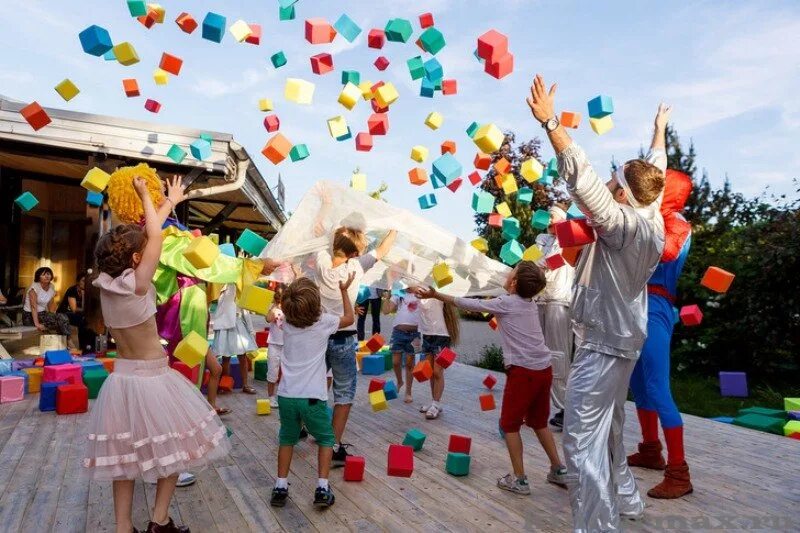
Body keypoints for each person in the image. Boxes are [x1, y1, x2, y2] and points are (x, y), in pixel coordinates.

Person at [527, 73, 670, 530]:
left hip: (603, 346)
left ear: (624, 196)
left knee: (580, 440)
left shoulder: (622, 224)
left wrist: (551, 124)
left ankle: (597, 525)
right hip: (625, 342)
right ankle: (628, 501)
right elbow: (656, 176)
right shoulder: (653, 221)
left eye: (614, 183)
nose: (607, 186)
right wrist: (658, 135)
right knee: (610, 430)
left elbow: (581, 177)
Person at [85, 174, 229, 533]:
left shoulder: (105, 286)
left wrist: (161, 202)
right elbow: (157, 234)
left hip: (121, 381)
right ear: (137, 258)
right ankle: (159, 520)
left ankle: (123, 527)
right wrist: (153, 197)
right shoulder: (138, 284)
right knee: (174, 452)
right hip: (153, 380)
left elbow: (147, 237)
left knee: (124, 460)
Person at [418, 261, 568, 494]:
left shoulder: (506, 302)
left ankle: (519, 479)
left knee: (509, 425)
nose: (507, 274)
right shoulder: (531, 302)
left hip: (523, 373)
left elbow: (469, 303)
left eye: (512, 272)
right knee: (539, 423)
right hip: (543, 370)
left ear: (515, 282)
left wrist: (436, 294)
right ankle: (558, 469)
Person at [628, 169, 694, 498]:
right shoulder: (659, 219)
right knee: (638, 384)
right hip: (639, 304)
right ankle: (651, 450)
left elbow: (660, 253)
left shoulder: (677, 224)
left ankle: (679, 473)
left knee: (657, 387)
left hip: (654, 307)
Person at [270, 273, 356, 509]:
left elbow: (277, 310)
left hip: (286, 396)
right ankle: (321, 487)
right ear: (316, 304)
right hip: (311, 398)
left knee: (287, 438)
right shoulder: (324, 322)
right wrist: (344, 290)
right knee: (327, 439)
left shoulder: (286, 322)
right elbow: (350, 317)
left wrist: (286, 292)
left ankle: (280, 486)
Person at [314, 225, 396, 467]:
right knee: (344, 393)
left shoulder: (321, 262)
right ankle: (334, 446)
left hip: (319, 336)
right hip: (344, 337)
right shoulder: (356, 266)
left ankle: (311, 430)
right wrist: (394, 228)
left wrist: (326, 207)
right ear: (353, 254)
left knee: (316, 389)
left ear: (334, 245)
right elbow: (382, 250)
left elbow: (318, 232)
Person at [534, 205, 575, 431]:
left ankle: (568, 407)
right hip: (541, 299)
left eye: (553, 215)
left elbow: (553, 262)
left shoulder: (568, 238)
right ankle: (543, 404)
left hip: (559, 301)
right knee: (541, 354)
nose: (548, 219)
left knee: (558, 355)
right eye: (547, 215)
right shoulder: (543, 239)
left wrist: (529, 267)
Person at [415, 293, 460, 420]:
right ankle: (434, 402)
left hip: (441, 335)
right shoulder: (419, 290)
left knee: (437, 372)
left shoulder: (435, 290)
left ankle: (436, 404)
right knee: (429, 372)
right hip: (427, 334)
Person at [211, 282, 258, 398]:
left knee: (242, 356)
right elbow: (220, 306)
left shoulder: (240, 288)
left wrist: (251, 329)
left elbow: (245, 310)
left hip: (238, 323)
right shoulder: (223, 288)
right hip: (226, 324)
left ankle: (245, 384)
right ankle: (224, 385)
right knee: (226, 357)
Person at [381, 287, 421, 403]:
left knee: (409, 363)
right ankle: (400, 381)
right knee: (396, 362)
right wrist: (387, 297)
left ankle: (408, 392)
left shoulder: (420, 294)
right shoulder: (399, 293)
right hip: (398, 332)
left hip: (414, 334)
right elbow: (386, 311)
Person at [22, 266, 72, 343]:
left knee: (63, 317)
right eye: (43, 275)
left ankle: (63, 343)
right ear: (38, 277)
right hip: (30, 316)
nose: (46, 276)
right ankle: (68, 342)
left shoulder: (51, 286)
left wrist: (53, 316)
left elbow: (50, 303)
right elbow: (33, 306)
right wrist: (37, 324)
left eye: (48, 274)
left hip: (42, 314)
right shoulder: (34, 287)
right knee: (60, 320)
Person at [58, 271, 98, 353]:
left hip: (79, 315)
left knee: (89, 321)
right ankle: (83, 346)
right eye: (83, 280)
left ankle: (90, 347)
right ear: (78, 282)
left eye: (87, 281)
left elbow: (87, 308)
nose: (85, 283)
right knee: (83, 321)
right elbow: (74, 309)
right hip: (64, 314)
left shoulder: (89, 291)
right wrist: (83, 296)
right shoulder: (72, 290)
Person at [266, 285, 285, 408]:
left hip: (288, 345)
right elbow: (268, 319)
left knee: (287, 373)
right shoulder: (273, 308)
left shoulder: (291, 308)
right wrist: (274, 307)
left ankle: (283, 395)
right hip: (274, 344)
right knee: (272, 371)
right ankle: (271, 397)